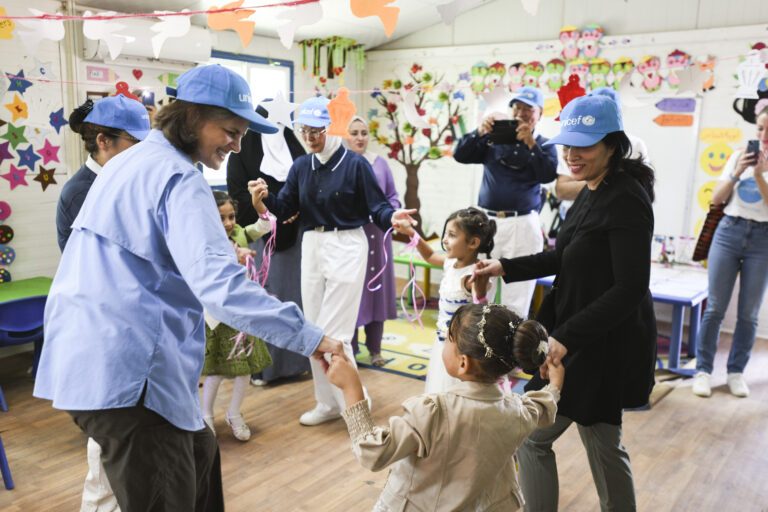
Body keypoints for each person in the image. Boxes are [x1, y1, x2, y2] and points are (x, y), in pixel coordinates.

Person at [34, 65, 344, 512]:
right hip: (128, 373)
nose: (238, 145)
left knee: (200, 453)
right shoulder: (179, 178)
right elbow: (222, 289)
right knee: (168, 488)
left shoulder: (129, 164)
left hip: (90, 363)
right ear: (193, 117)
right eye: (231, 130)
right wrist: (312, 338)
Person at [473, 95, 657, 511]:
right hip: (579, 336)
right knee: (600, 443)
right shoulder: (593, 188)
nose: (572, 156)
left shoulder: (626, 198)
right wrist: (504, 265)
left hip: (600, 344)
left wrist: (565, 338)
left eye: (584, 146)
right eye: (567, 145)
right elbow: (562, 255)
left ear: (613, 144)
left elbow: (630, 288)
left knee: (537, 437)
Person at [249, 96, 416, 426]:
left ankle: (354, 402)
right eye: (305, 131)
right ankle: (326, 402)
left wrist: (393, 217)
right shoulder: (301, 167)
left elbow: (377, 207)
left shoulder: (355, 165)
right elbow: (285, 211)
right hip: (312, 244)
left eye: (317, 131)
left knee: (335, 332)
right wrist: (261, 203)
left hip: (347, 244)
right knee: (313, 330)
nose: (311, 138)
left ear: (331, 129)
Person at [327, 303, 563, 511]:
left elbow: (373, 452)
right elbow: (544, 407)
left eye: (449, 338)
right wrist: (554, 384)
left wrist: (352, 389)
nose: (445, 341)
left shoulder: (433, 412)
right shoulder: (518, 411)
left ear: (463, 362)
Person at [454, 86, 558, 318]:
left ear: (539, 114)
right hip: (486, 222)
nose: (521, 113)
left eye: (528, 109)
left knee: (518, 291)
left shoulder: (545, 144)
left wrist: (531, 144)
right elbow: (461, 154)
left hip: (522, 223)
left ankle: (513, 344)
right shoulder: (493, 139)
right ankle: (479, 340)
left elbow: (547, 174)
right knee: (478, 280)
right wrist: (479, 131)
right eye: (517, 107)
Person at [226, 101, 310, 385]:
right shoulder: (243, 153)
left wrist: (294, 215)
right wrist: (267, 213)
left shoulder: (295, 151)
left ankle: (297, 363)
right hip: (261, 238)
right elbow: (236, 193)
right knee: (268, 299)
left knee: (296, 299)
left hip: (296, 239)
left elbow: (305, 187)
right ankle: (266, 369)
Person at [692, 104, 768, 398]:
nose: (762, 135)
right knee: (714, 309)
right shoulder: (738, 156)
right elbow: (716, 199)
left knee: (748, 314)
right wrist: (738, 172)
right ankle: (703, 370)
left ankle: (736, 372)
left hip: (762, 239)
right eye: (760, 128)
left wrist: (760, 174)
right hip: (729, 232)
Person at [393, 207, 496, 393]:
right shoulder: (450, 263)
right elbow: (431, 256)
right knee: (438, 389)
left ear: (473, 242)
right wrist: (411, 233)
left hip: (460, 349)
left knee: (453, 392)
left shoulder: (471, 275)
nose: (444, 240)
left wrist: (480, 293)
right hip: (442, 342)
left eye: (452, 235)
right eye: (445, 234)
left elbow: (481, 312)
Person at [201, 191, 275, 441]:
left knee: (245, 371)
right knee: (217, 371)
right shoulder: (205, 241)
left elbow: (265, 225)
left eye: (231, 216)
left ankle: (234, 413)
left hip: (241, 315)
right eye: (221, 218)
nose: (228, 223)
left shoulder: (241, 233)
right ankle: (206, 415)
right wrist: (235, 256)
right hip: (216, 316)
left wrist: (258, 204)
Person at [56, 95, 150, 251]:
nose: (143, 149)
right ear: (103, 141)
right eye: (136, 141)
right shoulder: (80, 193)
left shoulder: (127, 178)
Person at [347, 115, 401, 366]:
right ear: (346, 136)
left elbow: (392, 196)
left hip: (378, 237)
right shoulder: (342, 164)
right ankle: (352, 349)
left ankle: (376, 349)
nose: (360, 137)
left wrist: (390, 213)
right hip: (353, 237)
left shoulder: (380, 164)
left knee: (377, 291)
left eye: (364, 133)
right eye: (355, 132)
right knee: (353, 293)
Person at [555, 86, 652, 202]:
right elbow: (562, 190)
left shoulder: (635, 145)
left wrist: (596, 181)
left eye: (587, 146)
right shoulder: (571, 143)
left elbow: (641, 191)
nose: (571, 156)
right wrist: (598, 181)